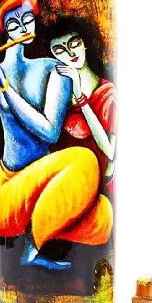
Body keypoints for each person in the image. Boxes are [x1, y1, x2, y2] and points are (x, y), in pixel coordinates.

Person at [0, 0, 113, 270]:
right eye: (13, 23)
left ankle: (43, 223)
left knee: (104, 216)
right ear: (3, 30)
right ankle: (33, 247)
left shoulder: (53, 69)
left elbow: (50, 132)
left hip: (45, 189)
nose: (23, 28)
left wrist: (8, 91)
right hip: (8, 191)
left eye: (28, 20)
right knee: (84, 161)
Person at [48, 18, 116, 195]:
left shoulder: (107, 91)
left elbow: (110, 152)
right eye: (60, 50)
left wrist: (80, 96)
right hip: (64, 184)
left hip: (96, 185)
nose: (70, 53)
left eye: (74, 44)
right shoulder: (58, 95)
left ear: (85, 43)